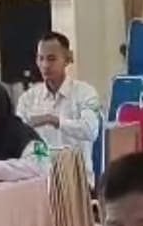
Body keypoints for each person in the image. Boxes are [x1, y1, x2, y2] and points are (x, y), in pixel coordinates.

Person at [16, 32, 101, 179]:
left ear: (67, 59)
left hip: (77, 179)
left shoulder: (85, 92)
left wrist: (54, 120)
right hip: (39, 180)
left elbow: (91, 130)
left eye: (51, 59)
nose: (45, 65)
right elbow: (18, 139)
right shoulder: (27, 99)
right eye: (41, 58)